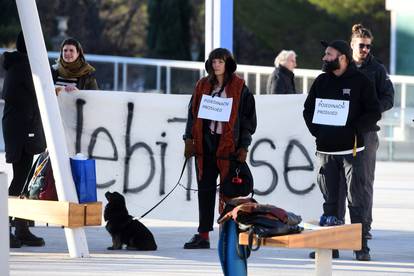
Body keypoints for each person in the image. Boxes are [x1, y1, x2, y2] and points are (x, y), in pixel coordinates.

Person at [303, 40, 381, 261]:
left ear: (343, 58)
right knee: (330, 201)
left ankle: (360, 246)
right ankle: (331, 245)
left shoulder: (361, 81)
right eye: (325, 54)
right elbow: (308, 110)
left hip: (353, 151)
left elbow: (373, 112)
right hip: (326, 151)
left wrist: (355, 130)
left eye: (329, 54)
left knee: (356, 200)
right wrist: (318, 132)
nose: (324, 58)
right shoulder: (321, 81)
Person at [182, 48, 257, 249]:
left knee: (231, 192)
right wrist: (188, 139)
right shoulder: (202, 85)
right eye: (213, 61)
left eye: (220, 62)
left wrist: (244, 146)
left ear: (228, 64)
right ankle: (203, 235)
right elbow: (192, 113)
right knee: (205, 190)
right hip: (205, 144)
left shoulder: (240, 87)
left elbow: (248, 120)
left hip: (229, 146)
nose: (216, 65)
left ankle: (234, 235)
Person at [349, 23, 394, 239]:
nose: (365, 50)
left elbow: (389, 98)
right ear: (352, 45)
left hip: (366, 133)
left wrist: (371, 110)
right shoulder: (340, 66)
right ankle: (334, 233)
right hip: (338, 134)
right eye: (361, 46)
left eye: (368, 46)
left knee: (363, 183)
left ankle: (363, 230)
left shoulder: (377, 69)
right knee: (336, 185)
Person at [2, 31, 46, 248]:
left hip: (18, 128)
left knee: (24, 180)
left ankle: (21, 227)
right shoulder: (24, 66)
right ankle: (6, 228)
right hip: (21, 131)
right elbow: (42, 90)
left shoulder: (17, 64)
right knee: (19, 180)